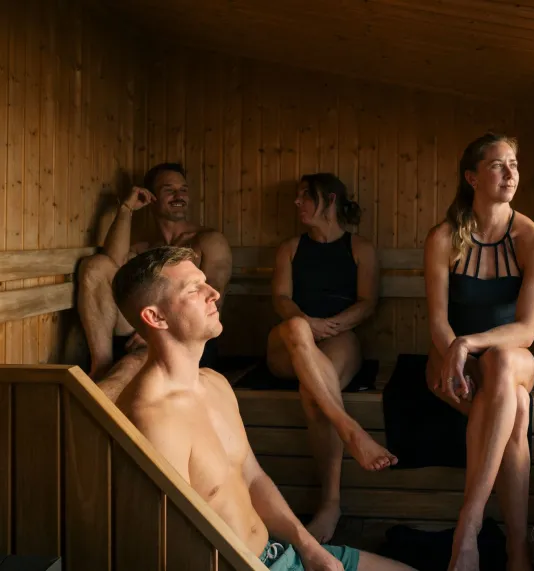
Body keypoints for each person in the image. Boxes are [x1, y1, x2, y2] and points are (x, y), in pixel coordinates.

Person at [112, 246, 413, 571]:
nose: (213, 293)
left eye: (206, 282)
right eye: (193, 290)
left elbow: (253, 478)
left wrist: (309, 549)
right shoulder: (152, 421)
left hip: (278, 553)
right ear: (155, 317)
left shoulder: (215, 384)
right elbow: (176, 549)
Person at [423, 133, 534, 571]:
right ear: (472, 177)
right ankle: (518, 552)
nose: (510, 172)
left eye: (514, 163)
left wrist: (470, 342)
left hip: (513, 357)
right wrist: (455, 352)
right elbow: (439, 321)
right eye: (498, 165)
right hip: (450, 362)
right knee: (514, 406)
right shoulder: (443, 238)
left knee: (501, 364)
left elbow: (528, 330)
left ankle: (469, 525)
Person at [266, 173, 397, 544]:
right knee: (294, 330)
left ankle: (330, 503)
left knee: (313, 391)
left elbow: (368, 302)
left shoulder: (361, 248)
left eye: (305, 197)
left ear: (331, 200)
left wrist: (332, 325)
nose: (298, 204)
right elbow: (281, 299)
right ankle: (350, 430)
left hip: (341, 335)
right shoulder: (290, 248)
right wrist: (308, 323)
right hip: (290, 340)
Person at [77, 162, 232, 402]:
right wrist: (126, 209)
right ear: (151, 197)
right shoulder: (145, 248)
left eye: (183, 189)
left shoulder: (209, 240)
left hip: (188, 334)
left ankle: (88, 408)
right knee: (95, 265)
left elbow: (215, 295)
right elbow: (111, 268)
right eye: (169, 189)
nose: (179, 196)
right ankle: (100, 364)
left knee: (132, 365)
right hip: (143, 326)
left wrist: (158, 333)